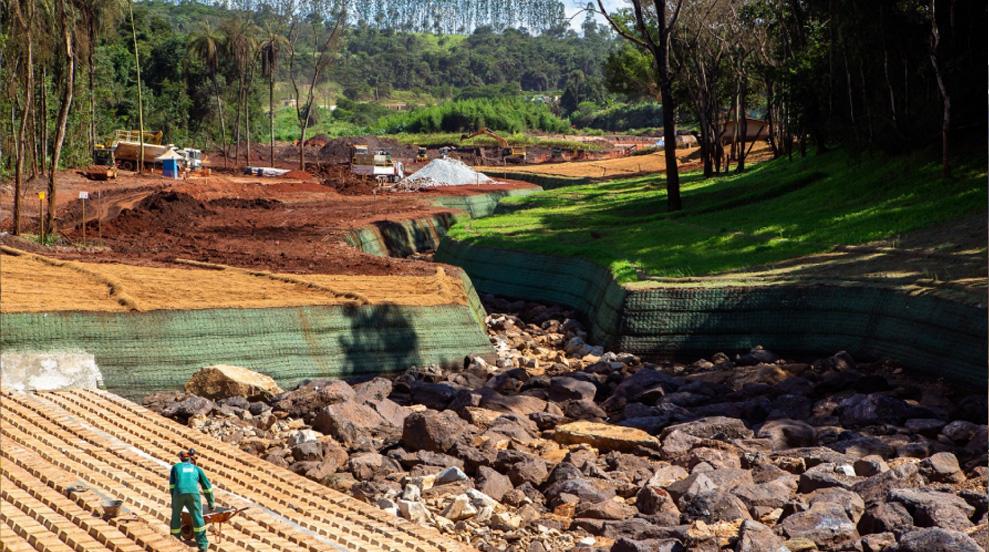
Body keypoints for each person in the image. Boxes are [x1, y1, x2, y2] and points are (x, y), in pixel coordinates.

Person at [169, 450, 214, 551]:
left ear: (180, 459)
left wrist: (174, 499)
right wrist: (211, 503)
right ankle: (202, 546)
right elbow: (207, 487)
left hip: (178, 493)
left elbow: (172, 485)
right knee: (197, 517)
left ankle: (174, 541)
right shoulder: (196, 469)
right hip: (193, 494)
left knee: (175, 516)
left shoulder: (176, 467)